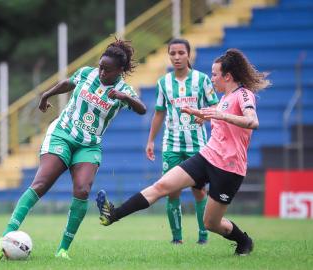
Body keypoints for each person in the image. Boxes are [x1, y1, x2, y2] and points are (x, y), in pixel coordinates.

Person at [97, 48, 270, 256]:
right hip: (207, 157)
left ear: (228, 76)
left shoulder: (243, 94)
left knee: (210, 223)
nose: (212, 78)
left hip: (229, 169)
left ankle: (244, 241)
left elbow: (252, 121)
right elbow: (222, 123)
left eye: (215, 74)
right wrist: (203, 114)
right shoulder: (224, 98)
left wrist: (220, 115)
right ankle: (112, 215)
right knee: (161, 186)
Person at [0, 38, 147, 260]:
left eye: (107, 70)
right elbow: (69, 83)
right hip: (63, 134)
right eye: (100, 66)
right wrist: (47, 94)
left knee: (83, 190)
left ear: (120, 70)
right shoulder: (87, 73)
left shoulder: (124, 90)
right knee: (41, 183)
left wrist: (125, 97)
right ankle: (3, 240)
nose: (102, 72)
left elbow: (142, 109)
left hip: (89, 144)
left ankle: (63, 250)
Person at [146, 38, 218, 245]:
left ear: (189, 55)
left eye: (181, 53)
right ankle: (177, 239)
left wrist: (204, 115)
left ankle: (203, 237)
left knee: (199, 191)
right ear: (169, 56)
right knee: (171, 191)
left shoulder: (202, 80)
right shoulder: (163, 83)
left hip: (197, 146)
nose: (176, 57)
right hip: (172, 146)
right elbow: (159, 113)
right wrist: (150, 141)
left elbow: (217, 107)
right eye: (172, 53)